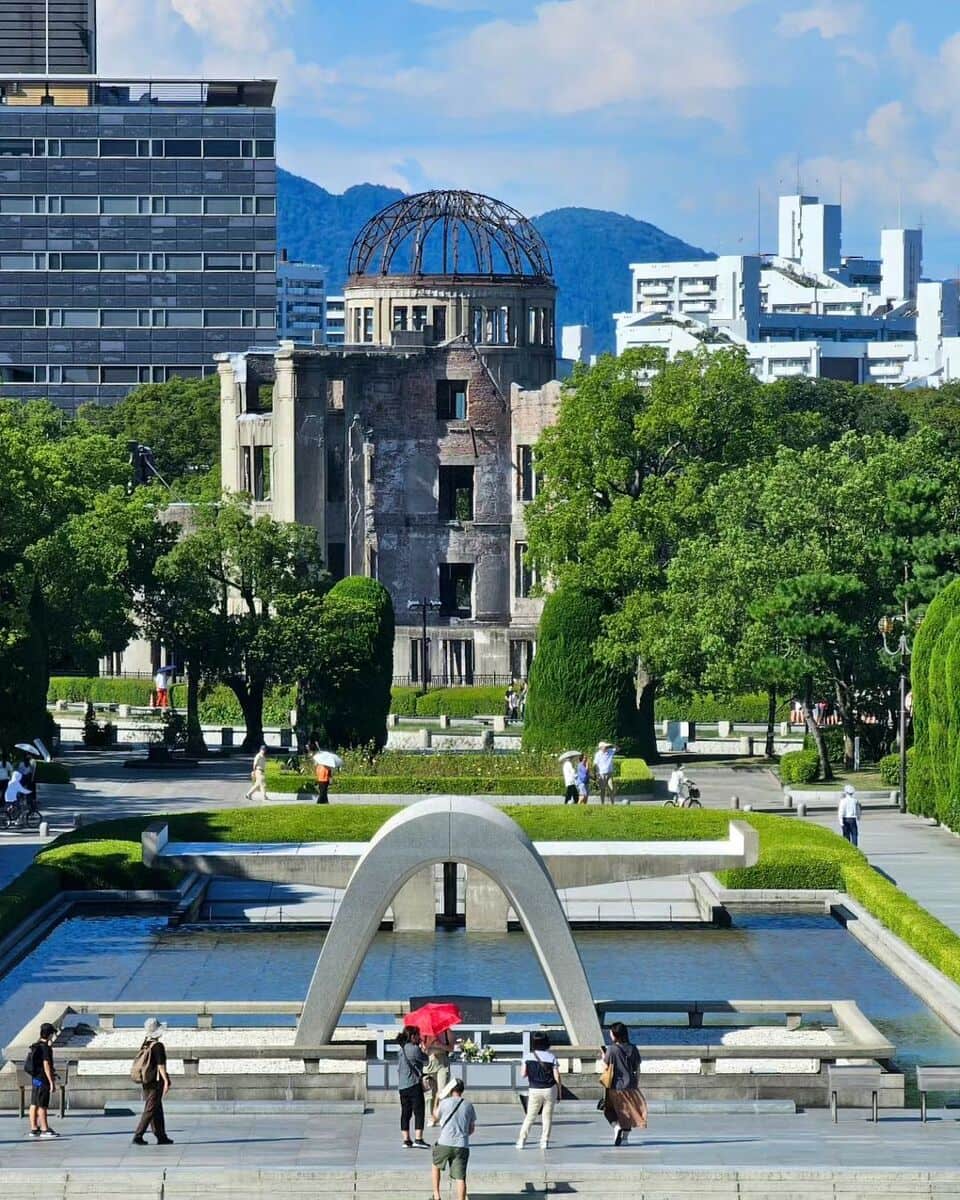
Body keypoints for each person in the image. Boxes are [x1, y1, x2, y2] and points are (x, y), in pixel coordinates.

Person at [600, 1020, 647, 1146]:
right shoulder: (633, 1048)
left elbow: (605, 1066)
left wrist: (603, 1056)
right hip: (631, 1085)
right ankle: (625, 1139)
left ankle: (616, 1127)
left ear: (615, 1035)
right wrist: (636, 1083)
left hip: (616, 1086)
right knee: (627, 1112)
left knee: (608, 1110)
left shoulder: (612, 1049)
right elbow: (637, 1068)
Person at [431, 1078, 476, 1200]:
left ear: (450, 1090)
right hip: (461, 1144)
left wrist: (437, 1099)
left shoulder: (444, 1103)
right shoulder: (468, 1105)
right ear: (462, 1090)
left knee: (436, 1166)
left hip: (444, 1142)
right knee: (460, 1177)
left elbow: (434, 1118)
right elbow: (471, 1129)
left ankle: (436, 1194)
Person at [515, 1031, 560, 1150]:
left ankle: (521, 1141)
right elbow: (557, 1077)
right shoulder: (551, 1057)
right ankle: (544, 1141)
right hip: (550, 1089)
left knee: (530, 1116)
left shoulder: (528, 1057)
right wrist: (560, 1091)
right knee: (547, 1117)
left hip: (534, 1089)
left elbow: (523, 1074)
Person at [132, 1017, 173, 1146]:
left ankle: (161, 1136)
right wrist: (166, 1080)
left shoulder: (145, 1044)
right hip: (155, 1082)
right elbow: (161, 1065)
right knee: (151, 1109)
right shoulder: (158, 1046)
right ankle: (138, 1135)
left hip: (146, 1080)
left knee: (156, 1108)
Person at [396, 1025, 429, 1149]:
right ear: (413, 1036)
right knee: (419, 1111)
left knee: (405, 1112)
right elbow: (426, 1060)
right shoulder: (414, 1049)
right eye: (418, 1035)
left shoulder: (402, 1049)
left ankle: (406, 1140)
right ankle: (418, 1138)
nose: (419, 1037)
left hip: (402, 1086)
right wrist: (423, 1048)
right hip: (413, 1084)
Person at [26, 1021, 59, 1138]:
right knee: (42, 1104)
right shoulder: (46, 1048)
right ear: (50, 1034)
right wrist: (51, 1082)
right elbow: (46, 1065)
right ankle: (45, 1129)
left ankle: (34, 1128)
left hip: (35, 1078)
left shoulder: (35, 1045)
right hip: (43, 1079)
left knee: (34, 1103)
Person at [424, 1028, 456, 1126]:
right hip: (429, 1062)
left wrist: (440, 1045)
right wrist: (430, 1044)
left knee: (443, 1091)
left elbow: (451, 1048)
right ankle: (430, 1117)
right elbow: (423, 1049)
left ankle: (441, 1115)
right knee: (430, 1093)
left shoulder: (447, 1031)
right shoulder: (425, 1031)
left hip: (442, 1063)